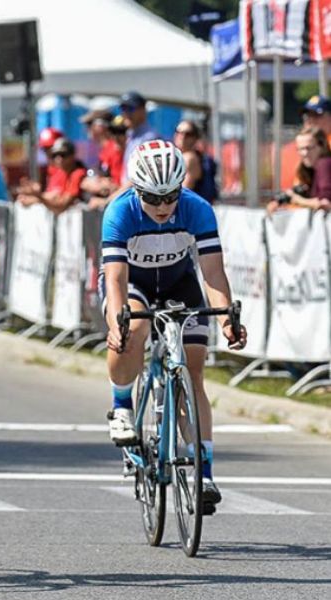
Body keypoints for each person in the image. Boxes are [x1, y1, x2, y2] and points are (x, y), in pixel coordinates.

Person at [100, 140, 248, 512]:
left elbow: (213, 272)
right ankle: (121, 407)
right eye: (153, 198)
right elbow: (115, 280)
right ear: (137, 190)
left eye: (170, 197)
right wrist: (117, 322)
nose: (164, 207)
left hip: (180, 283)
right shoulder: (120, 211)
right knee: (131, 330)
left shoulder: (197, 209)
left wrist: (227, 316)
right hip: (134, 283)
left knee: (193, 371)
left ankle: (205, 472)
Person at [268, 127, 331, 214]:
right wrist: (279, 201)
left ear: (322, 146)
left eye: (309, 148)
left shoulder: (324, 163)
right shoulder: (310, 170)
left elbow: (325, 202)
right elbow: (302, 190)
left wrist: (297, 199)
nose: (304, 153)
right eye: (300, 149)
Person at [16, 138, 86, 215]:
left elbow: (61, 206)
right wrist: (36, 197)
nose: (59, 159)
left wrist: (38, 196)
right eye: (55, 155)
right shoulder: (64, 173)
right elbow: (56, 198)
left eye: (63, 155)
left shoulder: (78, 174)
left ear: (72, 155)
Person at [119, 91, 157, 184]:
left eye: (130, 109)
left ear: (143, 110)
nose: (126, 113)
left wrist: (110, 198)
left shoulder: (149, 139)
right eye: (123, 108)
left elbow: (140, 178)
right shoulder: (131, 134)